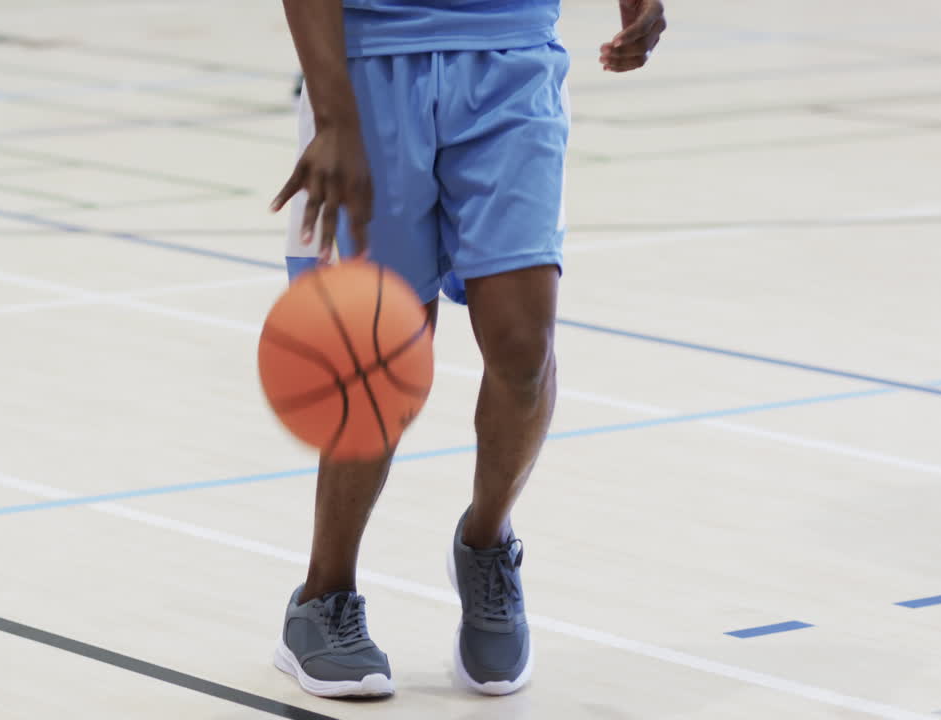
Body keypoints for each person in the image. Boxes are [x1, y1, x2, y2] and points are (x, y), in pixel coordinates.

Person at [269, 0, 666, 699]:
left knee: (522, 351)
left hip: (512, 56)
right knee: (380, 360)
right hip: (367, 64)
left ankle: (486, 544)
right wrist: (333, 118)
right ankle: (322, 597)